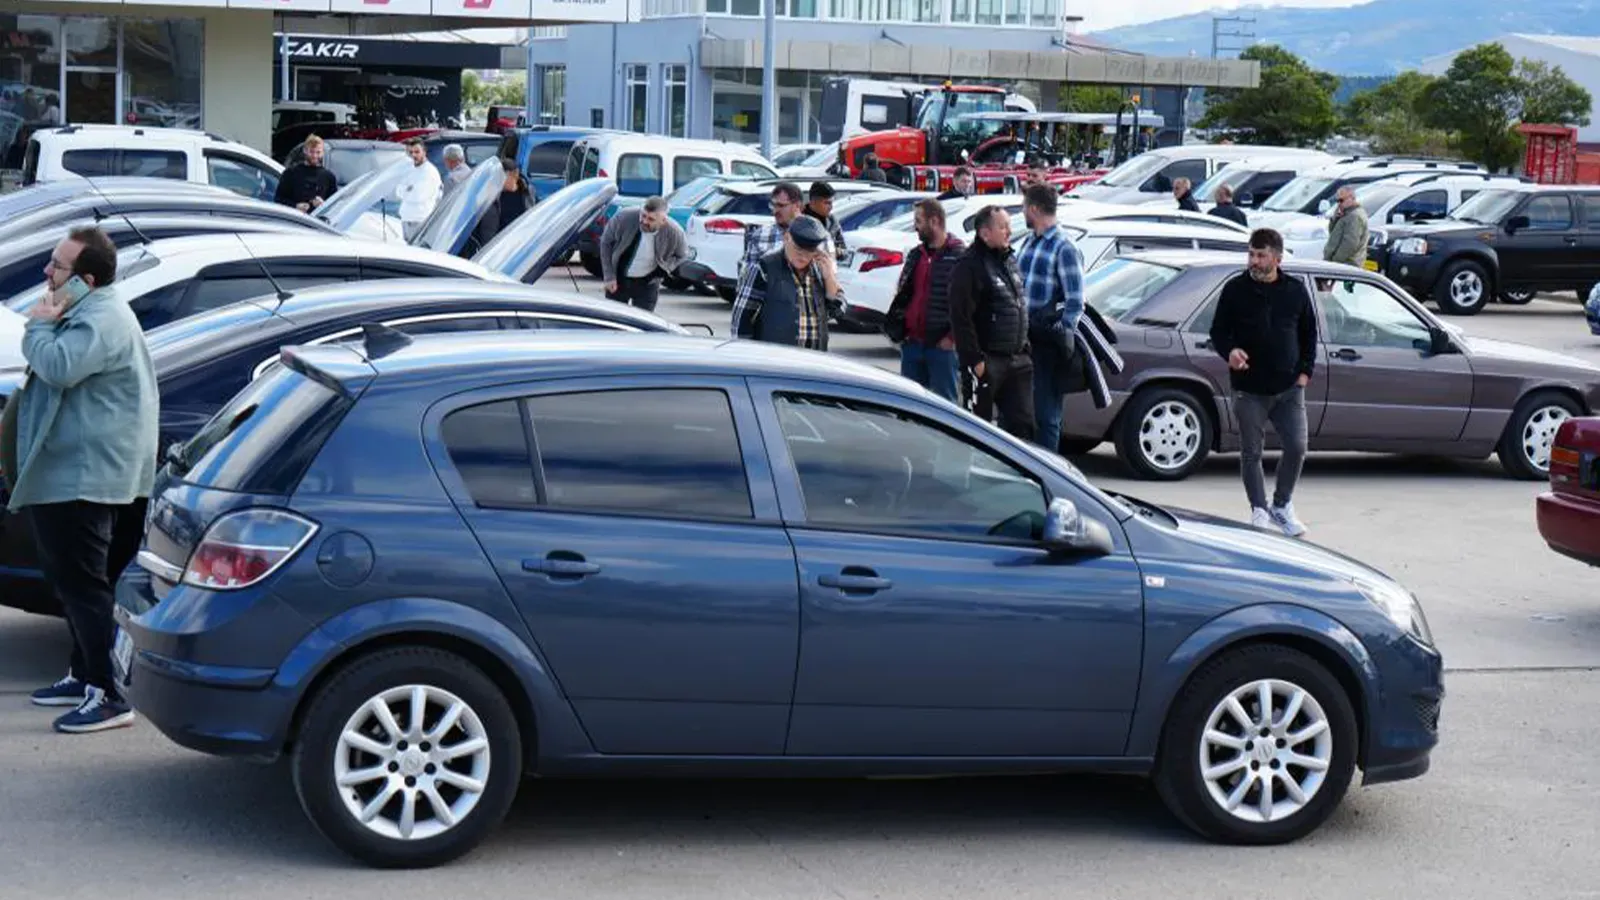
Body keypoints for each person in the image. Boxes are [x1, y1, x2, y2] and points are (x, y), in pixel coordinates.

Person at [2, 226, 157, 733]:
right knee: (73, 584)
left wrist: (37, 327)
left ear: (86, 279)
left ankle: (109, 694)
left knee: (84, 586)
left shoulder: (101, 317)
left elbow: (59, 367)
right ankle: (82, 673)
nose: (47, 273)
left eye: (58, 267)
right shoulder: (89, 308)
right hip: (77, 473)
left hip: (85, 478)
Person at [1207, 228, 1317, 538]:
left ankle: (1281, 505)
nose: (1254, 261)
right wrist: (1230, 351)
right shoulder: (1235, 289)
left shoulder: (1295, 291)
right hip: (1248, 389)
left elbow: (1310, 334)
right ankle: (1258, 509)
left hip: (1289, 388)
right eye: (1251, 254)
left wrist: (1305, 373)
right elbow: (1218, 331)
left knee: (1297, 446)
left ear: (1277, 259)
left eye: (1261, 256)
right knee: (1251, 452)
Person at [949, 205, 1034, 441]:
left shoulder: (1009, 260)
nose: (1009, 231)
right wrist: (975, 361)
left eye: (1009, 226)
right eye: (1002, 227)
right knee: (975, 430)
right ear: (985, 233)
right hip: (987, 360)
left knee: (1023, 428)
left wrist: (1025, 349)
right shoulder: (969, 265)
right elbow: (960, 317)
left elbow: (1018, 304)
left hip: (1017, 359)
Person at [1015, 184, 1085, 453]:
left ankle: (1048, 470)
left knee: (1047, 415)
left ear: (1034, 209)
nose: (1023, 212)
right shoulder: (1029, 241)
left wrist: (1060, 334)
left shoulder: (1064, 247)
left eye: (1024, 207)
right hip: (1022, 339)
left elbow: (1075, 301)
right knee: (1024, 412)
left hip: (1045, 344)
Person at [884, 198, 965, 404]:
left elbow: (969, 303)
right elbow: (903, 293)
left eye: (918, 221)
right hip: (912, 344)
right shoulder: (915, 255)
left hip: (941, 348)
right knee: (908, 405)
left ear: (934, 221)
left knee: (945, 406)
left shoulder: (959, 256)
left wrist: (952, 338)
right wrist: (900, 329)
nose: (915, 227)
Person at [732, 215, 842, 350]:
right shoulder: (765, 267)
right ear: (786, 238)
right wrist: (745, 354)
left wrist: (829, 278)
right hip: (776, 360)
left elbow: (839, 311)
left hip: (815, 360)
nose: (803, 256)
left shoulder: (820, 268)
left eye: (809, 251)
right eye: (798, 249)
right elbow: (741, 318)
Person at [600, 195, 689, 313]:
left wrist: (666, 267)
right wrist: (609, 276)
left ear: (663, 220)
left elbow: (682, 255)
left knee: (643, 326)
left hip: (648, 284)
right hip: (618, 279)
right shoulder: (624, 217)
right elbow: (605, 242)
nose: (644, 221)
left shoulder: (675, 232)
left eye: (651, 219)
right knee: (614, 322)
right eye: (643, 216)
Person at [733, 182, 804, 297]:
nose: (775, 211)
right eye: (773, 205)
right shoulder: (760, 235)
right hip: (770, 305)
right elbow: (745, 278)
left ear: (797, 206)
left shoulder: (817, 235)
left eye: (781, 206)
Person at [274, 134, 338, 213]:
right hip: (294, 221)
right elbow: (278, 199)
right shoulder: (291, 173)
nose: (314, 156)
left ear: (323, 153)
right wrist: (295, 206)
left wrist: (323, 205)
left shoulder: (329, 177)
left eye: (318, 152)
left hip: (318, 223)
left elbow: (335, 207)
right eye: (311, 152)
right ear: (305, 150)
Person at [395, 137, 442, 242]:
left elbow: (417, 196)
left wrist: (407, 189)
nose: (413, 155)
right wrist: (408, 189)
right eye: (411, 152)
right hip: (406, 219)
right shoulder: (410, 169)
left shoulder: (429, 172)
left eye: (417, 152)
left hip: (420, 221)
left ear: (424, 152)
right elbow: (397, 191)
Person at [802, 180, 848, 261]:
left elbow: (844, 251)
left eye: (831, 203)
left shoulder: (832, 221)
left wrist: (836, 251)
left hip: (827, 270)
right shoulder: (798, 220)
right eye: (827, 203)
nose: (831, 207)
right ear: (813, 202)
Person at [1324, 186, 1369, 267]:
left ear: (1352, 198)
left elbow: (1350, 244)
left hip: (1346, 265)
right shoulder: (1346, 214)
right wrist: (1335, 219)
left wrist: (1335, 261)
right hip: (1340, 264)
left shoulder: (1354, 216)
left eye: (1341, 200)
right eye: (1337, 201)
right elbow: (1332, 233)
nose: (1339, 203)